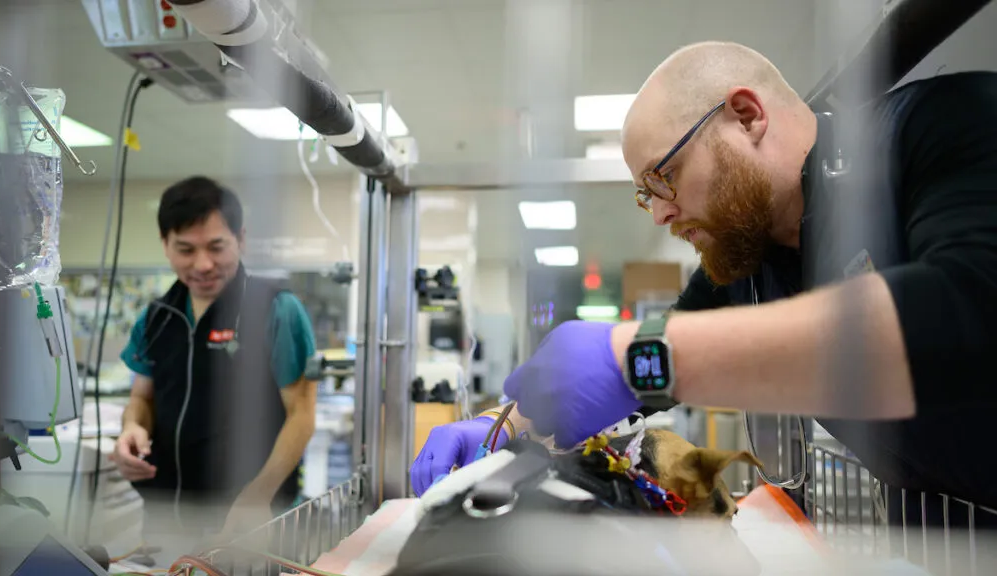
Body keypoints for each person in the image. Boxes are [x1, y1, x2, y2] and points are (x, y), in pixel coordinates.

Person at [412, 41, 997, 527]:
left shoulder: (946, 123)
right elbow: (651, 369)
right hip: (943, 527)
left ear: (746, 115)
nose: (659, 214)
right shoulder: (748, 257)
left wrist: (635, 356)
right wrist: (502, 424)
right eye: (645, 195)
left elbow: (971, 305)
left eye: (664, 176)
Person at [111, 176, 317, 540]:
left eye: (216, 247)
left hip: (255, 520)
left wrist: (257, 497)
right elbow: (142, 398)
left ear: (241, 239)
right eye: (186, 249)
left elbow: (301, 415)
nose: (203, 264)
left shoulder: (276, 310)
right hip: (167, 520)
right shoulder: (156, 318)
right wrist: (132, 428)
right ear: (165, 244)